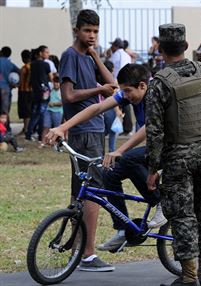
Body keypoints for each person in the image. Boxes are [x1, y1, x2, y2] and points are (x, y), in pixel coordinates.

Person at [46, 63, 167, 252]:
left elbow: (149, 127)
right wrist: (63, 127)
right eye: (123, 91)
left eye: (128, 91)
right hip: (155, 145)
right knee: (108, 173)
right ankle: (123, 228)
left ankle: (161, 201)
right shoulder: (131, 94)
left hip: (172, 146)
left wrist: (120, 150)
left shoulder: (154, 94)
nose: (125, 96)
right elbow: (97, 108)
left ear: (143, 85)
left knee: (127, 158)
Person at [145, 23, 201, 286]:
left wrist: (153, 168)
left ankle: (189, 277)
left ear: (160, 48)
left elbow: (154, 131)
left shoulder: (159, 83)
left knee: (182, 217)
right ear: (186, 46)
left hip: (178, 161)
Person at [59, 9, 117, 272]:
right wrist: (98, 91)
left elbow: (113, 84)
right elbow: (69, 96)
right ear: (76, 30)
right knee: (91, 193)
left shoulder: (89, 56)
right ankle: (88, 254)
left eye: (95, 31)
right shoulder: (70, 56)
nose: (91, 35)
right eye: (87, 31)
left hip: (93, 130)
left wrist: (95, 54)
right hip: (84, 132)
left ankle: (78, 249)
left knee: (81, 191)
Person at [26, 45, 53, 144]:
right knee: (42, 114)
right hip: (44, 92)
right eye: (46, 52)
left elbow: (30, 78)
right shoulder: (46, 65)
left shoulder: (32, 64)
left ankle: (29, 133)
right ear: (40, 53)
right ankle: (40, 134)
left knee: (34, 113)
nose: (48, 54)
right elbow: (51, 78)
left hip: (35, 92)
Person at [41, 75, 63, 145]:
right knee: (46, 126)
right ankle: (43, 142)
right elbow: (45, 97)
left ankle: (56, 143)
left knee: (57, 128)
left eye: (58, 82)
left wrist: (54, 104)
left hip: (58, 112)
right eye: (55, 82)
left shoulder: (61, 91)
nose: (56, 84)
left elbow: (63, 102)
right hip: (49, 110)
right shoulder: (51, 89)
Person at [0, 46, 20, 117]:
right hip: (6, 88)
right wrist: (17, 84)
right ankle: (5, 126)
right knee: (5, 109)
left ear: (1, 52)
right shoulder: (10, 64)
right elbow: (19, 72)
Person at [18, 50, 33, 135]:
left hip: (24, 91)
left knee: (25, 111)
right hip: (31, 91)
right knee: (29, 110)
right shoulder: (33, 66)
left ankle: (26, 129)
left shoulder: (24, 68)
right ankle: (26, 128)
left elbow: (20, 81)